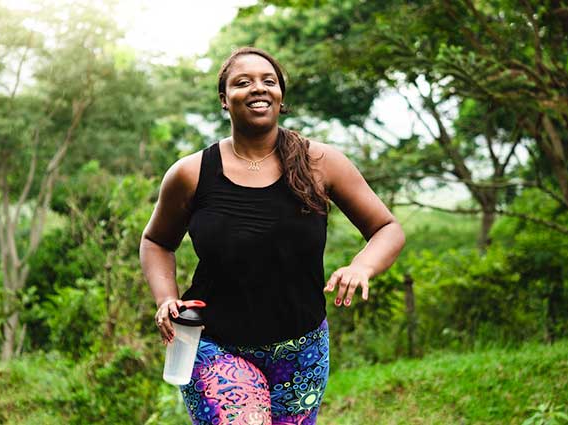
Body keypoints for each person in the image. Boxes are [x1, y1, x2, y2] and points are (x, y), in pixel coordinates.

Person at [140, 47, 405, 425]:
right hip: (214, 344)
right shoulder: (191, 173)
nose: (258, 89)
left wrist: (362, 266)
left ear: (281, 97)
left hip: (303, 347)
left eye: (269, 81)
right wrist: (166, 298)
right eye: (242, 82)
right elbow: (156, 242)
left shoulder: (320, 163)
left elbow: (387, 229)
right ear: (223, 100)